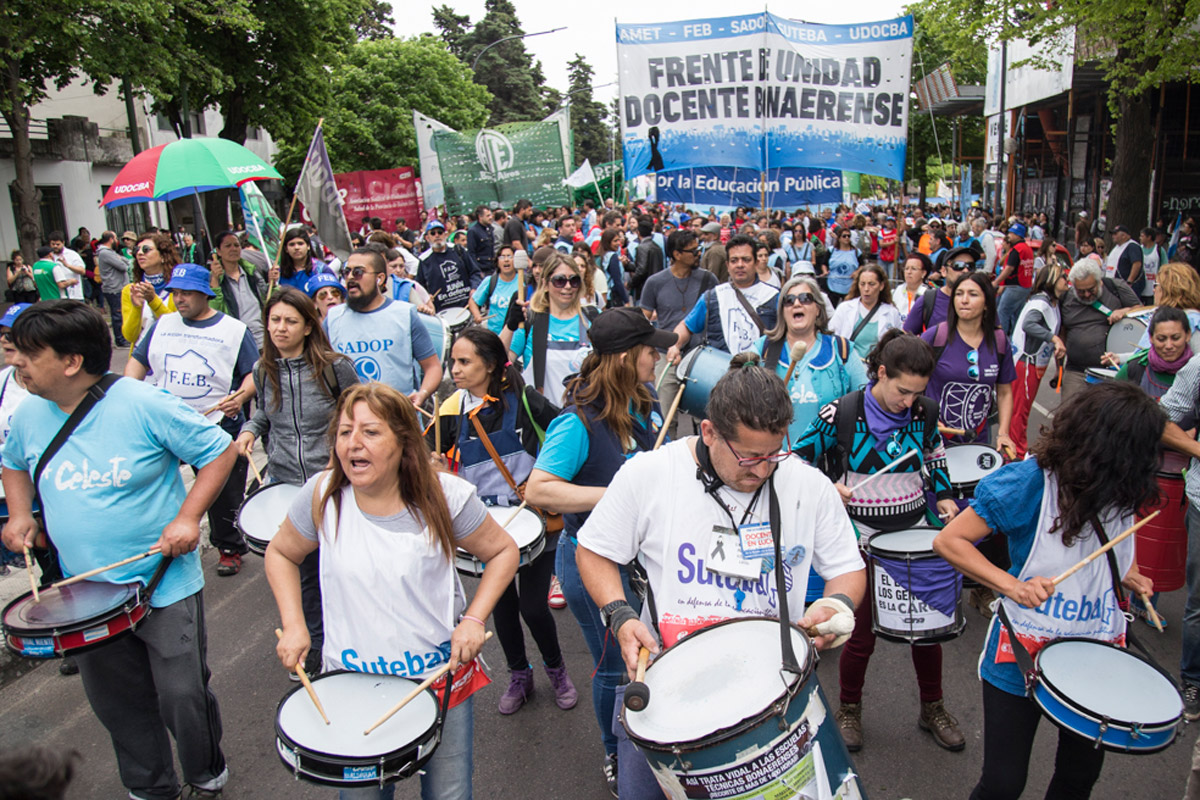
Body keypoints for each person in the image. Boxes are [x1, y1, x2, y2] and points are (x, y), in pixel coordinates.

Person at [576, 358, 867, 798]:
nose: (763, 470)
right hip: (666, 684)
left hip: (774, 693)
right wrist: (619, 613)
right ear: (709, 431)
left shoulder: (810, 486)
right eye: (749, 457)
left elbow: (847, 567)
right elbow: (594, 550)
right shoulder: (649, 474)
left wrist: (837, 606)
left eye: (774, 454)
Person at [1, 300, 238, 800]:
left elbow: (220, 450)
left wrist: (187, 518)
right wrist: (21, 514)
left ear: (71, 361)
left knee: (182, 695)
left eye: (27, 352)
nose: (15, 361)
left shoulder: (143, 402)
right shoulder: (27, 414)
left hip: (162, 582)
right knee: (117, 702)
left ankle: (204, 771)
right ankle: (150, 787)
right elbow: (13, 463)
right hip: (82, 592)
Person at [267, 383, 519, 800]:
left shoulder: (445, 495)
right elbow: (280, 553)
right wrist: (294, 626)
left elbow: (503, 551)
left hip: (437, 680)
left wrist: (474, 620)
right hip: (352, 685)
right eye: (345, 432)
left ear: (403, 441)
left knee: (449, 794)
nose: (353, 444)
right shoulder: (322, 496)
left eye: (370, 432)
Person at [933, 381, 1162, 800]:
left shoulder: (1125, 484)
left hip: (1095, 646)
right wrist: (1013, 586)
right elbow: (949, 541)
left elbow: (1108, 545)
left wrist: (1128, 572)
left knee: (1077, 780)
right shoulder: (1031, 483)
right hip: (1021, 651)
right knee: (1003, 784)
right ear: (1108, 448)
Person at [524, 308, 674, 796]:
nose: (659, 355)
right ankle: (616, 753)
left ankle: (647, 743)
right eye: (651, 349)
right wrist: (618, 492)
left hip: (642, 559)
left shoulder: (645, 403)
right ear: (628, 357)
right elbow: (539, 489)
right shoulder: (577, 421)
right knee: (614, 666)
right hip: (590, 559)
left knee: (648, 658)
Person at [794, 330, 962, 752]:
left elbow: (934, 454)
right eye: (902, 391)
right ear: (881, 373)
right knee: (860, 636)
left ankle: (932, 707)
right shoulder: (842, 413)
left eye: (917, 393)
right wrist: (828, 484)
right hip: (861, 542)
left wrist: (942, 496)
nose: (909, 402)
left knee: (925, 632)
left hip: (914, 537)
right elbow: (796, 461)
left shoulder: (924, 412)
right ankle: (849, 709)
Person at [427, 327, 574, 715]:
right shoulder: (450, 410)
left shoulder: (524, 399)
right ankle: (519, 675)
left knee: (534, 607)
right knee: (502, 609)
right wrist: (440, 472)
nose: (454, 370)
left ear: (491, 365)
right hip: (486, 529)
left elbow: (568, 433)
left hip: (535, 519)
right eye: (452, 362)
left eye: (464, 362)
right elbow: (422, 457)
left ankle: (557, 669)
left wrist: (543, 477)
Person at [236, 288, 359, 674]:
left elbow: (359, 414)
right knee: (305, 574)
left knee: (343, 569)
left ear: (309, 326)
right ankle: (317, 652)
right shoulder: (262, 370)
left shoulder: (335, 366)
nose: (280, 328)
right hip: (288, 484)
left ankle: (356, 642)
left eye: (290, 321)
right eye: (274, 320)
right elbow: (264, 416)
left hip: (336, 484)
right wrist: (249, 431)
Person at [124, 263, 259, 577]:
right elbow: (137, 363)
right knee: (153, 482)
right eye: (175, 292)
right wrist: (130, 393)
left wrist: (240, 397)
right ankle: (160, 541)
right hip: (163, 424)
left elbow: (253, 373)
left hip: (214, 424)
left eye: (187, 293)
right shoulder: (162, 324)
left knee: (223, 491)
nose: (179, 299)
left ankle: (229, 547)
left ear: (204, 295)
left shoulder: (233, 330)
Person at [751, 276, 866, 442]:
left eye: (805, 299)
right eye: (789, 301)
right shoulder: (762, 350)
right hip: (774, 459)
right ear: (782, 311)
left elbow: (866, 401)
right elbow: (739, 399)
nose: (797, 304)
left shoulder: (842, 350)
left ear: (818, 309)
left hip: (826, 460)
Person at [325, 248, 442, 401]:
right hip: (353, 419)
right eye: (347, 272)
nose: (351, 278)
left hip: (398, 417)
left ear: (379, 279)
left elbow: (432, 366)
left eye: (358, 272)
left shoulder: (405, 315)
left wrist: (423, 393)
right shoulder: (332, 319)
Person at [640, 229, 717, 437]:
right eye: (693, 250)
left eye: (699, 248)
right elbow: (643, 317)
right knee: (664, 415)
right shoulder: (655, 282)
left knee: (708, 416)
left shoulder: (708, 279)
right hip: (667, 355)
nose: (698, 253)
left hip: (701, 358)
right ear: (676, 254)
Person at [503, 252, 598, 405]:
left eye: (574, 281)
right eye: (560, 281)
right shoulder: (531, 320)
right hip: (542, 421)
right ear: (545, 284)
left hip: (586, 419)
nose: (568, 287)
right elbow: (500, 359)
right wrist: (511, 325)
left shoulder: (593, 317)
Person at [669, 234, 779, 361]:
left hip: (761, 374)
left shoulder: (774, 297)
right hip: (720, 374)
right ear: (727, 265)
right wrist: (675, 345)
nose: (740, 265)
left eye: (746, 259)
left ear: (756, 263)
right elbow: (686, 326)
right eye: (734, 260)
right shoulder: (713, 297)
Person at [1057, 259, 1140, 402]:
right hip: (1076, 371)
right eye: (1081, 291)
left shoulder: (1115, 287)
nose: (1087, 295)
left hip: (1110, 372)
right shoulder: (1066, 298)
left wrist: (1125, 311)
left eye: (1091, 289)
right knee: (1069, 417)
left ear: (1099, 281)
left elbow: (1142, 311)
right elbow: (1062, 332)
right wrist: (1058, 368)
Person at [1009, 262, 1069, 458]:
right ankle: (1015, 453)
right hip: (1025, 364)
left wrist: (1058, 368)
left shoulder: (1052, 304)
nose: (1066, 281)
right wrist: (1054, 338)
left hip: (1033, 364)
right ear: (1052, 280)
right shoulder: (1041, 303)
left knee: (1021, 412)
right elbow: (1029, 324)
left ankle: (1017, 449)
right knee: (1019, 412)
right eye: (1063, 277)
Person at [208, 230, 268, 350]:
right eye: (228, 246)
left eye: (236, 245)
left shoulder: (252, 273)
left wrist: (273, 283)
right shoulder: (214, 278)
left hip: (262, 340)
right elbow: (213, 308)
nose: (233, 249)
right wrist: (215, 279)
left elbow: (268, 299)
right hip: (236, 343)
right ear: (218, 251)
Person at [830, 264, 904, 360]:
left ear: (881, 286)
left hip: (877, 369)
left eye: (871, 284)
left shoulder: (892, 313)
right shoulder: (845, 308)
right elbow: (831, 338)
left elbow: (897, 345)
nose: (866, 289)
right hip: (849, 367)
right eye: (862, 284)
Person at [120, 232, 179, 346]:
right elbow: (129, 336)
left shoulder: (178, 289)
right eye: (137, 249)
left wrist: (153, 301)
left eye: (146, 249)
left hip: (171, 354)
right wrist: (137, 307)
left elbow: (176, 327)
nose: (140, 253)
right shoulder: (130, 290)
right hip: (142, 358)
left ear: (162, 256)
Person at [417, 219, 482, 312]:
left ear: (445, 235)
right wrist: (426, 296)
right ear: (427, 238)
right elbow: (419, 286)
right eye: (433, 233)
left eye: (440, 232)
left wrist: (474, 288)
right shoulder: (424, 259)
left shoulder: (458, 250)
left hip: (466, 307)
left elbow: (475, 272)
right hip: (443, 312)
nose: (437, 235)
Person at [994, 222, 1035, 337]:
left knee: (1003, 311)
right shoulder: (1027, 249)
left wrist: (996, 282)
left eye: (1012, 233)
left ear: (1018, 235)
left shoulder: (1017, 249)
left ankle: (1001, 340)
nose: (1009, 235)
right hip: (1025, 286)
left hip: (1015, 286)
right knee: (1017, 315)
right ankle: (1016, 339)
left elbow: (1009, 269)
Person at [469, 243, 521, 334]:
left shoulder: (522, 281)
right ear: (497, 262)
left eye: (509, 256)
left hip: (515, 334)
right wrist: (477, 316)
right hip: (494, 334)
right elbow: (473, 301)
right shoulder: (490, 281)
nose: (506, 260)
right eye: (502, 257)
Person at [94, 232, 130, 346]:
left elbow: (125, 261)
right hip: (114, 287)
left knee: (121, 313)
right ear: (110, 239)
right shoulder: (105, 253)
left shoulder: (109, 252)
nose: (117, 241)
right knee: (118, 315)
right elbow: (124, 266)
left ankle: (123, 337)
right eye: (115, 238)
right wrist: (121, 259)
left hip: (117, 286)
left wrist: (121, 259)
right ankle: (120, 339)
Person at [629, 215, 663, 301]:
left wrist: (630, 284)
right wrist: (627, 265)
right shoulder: (657, 247)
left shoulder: (642, 247)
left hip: (644, 289)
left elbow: (641, 270)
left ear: (638, 232)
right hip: (655, 287)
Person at [826, 226, 863, 304]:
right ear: (839, 238)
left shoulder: (856, 252)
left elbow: (862, 265)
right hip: (833, 285)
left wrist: (857, 272)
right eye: (844, 236)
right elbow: (824, 263)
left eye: (848, 236)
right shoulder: (831, 250)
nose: (847, 238)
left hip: (849, 286)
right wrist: (825, 271)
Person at [1105, 224, 1144, 296]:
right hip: (1114, 284)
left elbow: (1137, 264)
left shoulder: (1132, 246)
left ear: (1124, 235)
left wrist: (1129, 281)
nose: (1113, 236)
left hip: (1126, 286)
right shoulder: (1117, 247)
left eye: (1115, 234)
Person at [894, 252, 931, 321]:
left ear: (923, 273)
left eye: (914, 269)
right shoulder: (897, 290)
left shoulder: (928, 294)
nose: (909, 272)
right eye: (906, 268)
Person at [1140, 226, 1167, 304]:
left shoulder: (1159, 250)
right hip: (1141, 285)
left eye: (1142, 236)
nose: (1140, 238)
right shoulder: (1139, 249)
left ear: (1149, 237)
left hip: (1153, 285)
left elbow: (1165, 266)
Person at [467, 205, 496, 276]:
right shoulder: (473, 231)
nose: (491, 217)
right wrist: (477, 271)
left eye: (491, 215)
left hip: (492, 268)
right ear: (480, 217)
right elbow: (471, 253)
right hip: (482, 269)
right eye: (488, 216)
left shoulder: (490, 229)